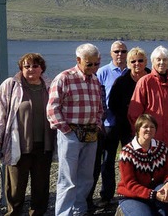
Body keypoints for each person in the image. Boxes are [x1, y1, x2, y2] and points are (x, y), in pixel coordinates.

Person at [47, 43, 104, 216]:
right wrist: (67, 131)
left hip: (91, 133)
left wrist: (98, 124)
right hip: (70, 133)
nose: (93, 67)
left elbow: (100, 107)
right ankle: (64, 213)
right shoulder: (64, 78)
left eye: (96, 64)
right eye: (89, 64)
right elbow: (52, 109)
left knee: (86, 178)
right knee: (68, 179)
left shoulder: (95, 79)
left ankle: (79, 211)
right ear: (78, 60)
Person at [0, 53, 54, 216]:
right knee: (15, 189)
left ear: (42, 68)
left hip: (44, 147)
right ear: (21, 68)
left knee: (41, 187)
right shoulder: (11, 85)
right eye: (26, 66)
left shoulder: (50, 86)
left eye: (35, 66)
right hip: (17, 147)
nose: (31, 69)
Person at [128, 46, 168, 148]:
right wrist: (139, 135)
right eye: (158, 59)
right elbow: (134, 112)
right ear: (152, 61)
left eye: (165, 59)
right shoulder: (145, 82)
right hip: (150, 137)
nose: (161, 62)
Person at [117, 114, 168, 216]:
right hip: (132, 196)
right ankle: (122, 210)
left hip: (156, 190)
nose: (149, 129)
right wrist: (153, 194)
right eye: (145, 127)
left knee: (165, 211)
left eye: (152, 127)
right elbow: (130, 184)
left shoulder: (161, 147)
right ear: (138, 129)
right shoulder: (127, 153)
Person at [93, 40, 128, 208]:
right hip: (109, 123)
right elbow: (98, 98)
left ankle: (128, 192)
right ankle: (106, 195)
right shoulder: (102, 72)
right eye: (116, 51)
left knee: (129, 159)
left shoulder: (133, 71)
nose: (120, 54)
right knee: (107, 161)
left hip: (128, 124)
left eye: (123, 51)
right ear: (111, 53)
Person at [109, 47, 150, 146]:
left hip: (150, 126)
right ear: (128, 63)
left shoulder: (152, 78)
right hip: (126, 128)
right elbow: (113, 105)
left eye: (140, 60)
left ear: (146, 62)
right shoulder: (121, 82)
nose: (137, 63)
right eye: (133, 61)